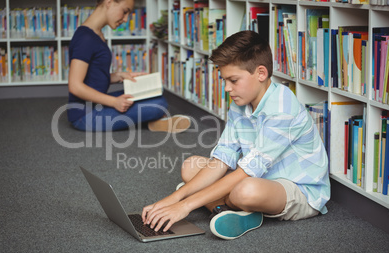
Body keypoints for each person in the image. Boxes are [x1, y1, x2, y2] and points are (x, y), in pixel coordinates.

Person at [141, 30, 330, 240]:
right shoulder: (240, 103)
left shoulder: (282, 108)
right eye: (224, 80)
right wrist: (173, 198)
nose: (226, 88)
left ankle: (217, 204)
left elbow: (247, 173)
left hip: (298, 190)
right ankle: (235, 211)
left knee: (245, 190)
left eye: (233, 80)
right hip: (258, 177)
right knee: (191, 166)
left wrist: (185, 205)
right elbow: (223, 157)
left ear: (260, 73)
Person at [67, 0, 190, 132]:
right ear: (109, 2)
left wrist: (119, 76)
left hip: (97, 105)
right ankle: (152, 121)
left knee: (153, 96)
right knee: (158, 105)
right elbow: (75, 86)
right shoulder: (85, 38)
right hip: (85, 116)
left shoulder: (96, 34)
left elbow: (93, 77)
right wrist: (114, 102)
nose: (126, 19)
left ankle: (153, 122)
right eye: (125, 11)